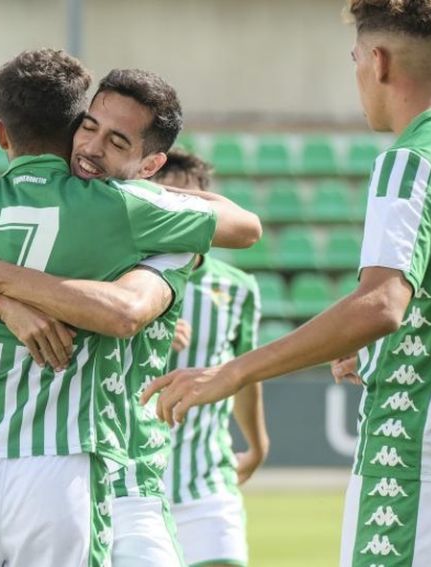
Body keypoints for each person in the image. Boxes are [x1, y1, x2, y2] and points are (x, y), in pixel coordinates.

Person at [143, 2, 431, 566]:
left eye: (354, 60)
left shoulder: (411, 160)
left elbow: (381, 305)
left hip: (420, 448)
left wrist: (232, 370)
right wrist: (386, 345)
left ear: (379, 61)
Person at [0, 49, 261, 567]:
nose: (95, 147)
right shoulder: (126, 211)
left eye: (115, 140)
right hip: (68, 465)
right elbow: (246, 228)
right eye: (90, 128)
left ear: (2, 134)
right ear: (74, 123)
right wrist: (4, 303)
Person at [152, 149, 268, 567]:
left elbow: (245, 373)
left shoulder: (236, 287)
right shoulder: (122, 281)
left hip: (206, 480)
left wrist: (257, 443)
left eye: (191, 204)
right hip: (132, 484)